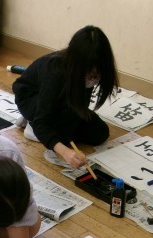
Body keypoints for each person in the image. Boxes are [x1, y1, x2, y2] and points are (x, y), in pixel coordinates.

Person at [12, 25, 119, 169]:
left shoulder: (92, 69)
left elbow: (81, 104)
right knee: (57, 131)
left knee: (99, 133)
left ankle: (52, 127)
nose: (93, 78)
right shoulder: (54, 73)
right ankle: (32, 124)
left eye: (96, 74)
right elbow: (43, 122)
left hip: (65, 100)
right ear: (77, 64)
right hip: (31, 98)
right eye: (89, 74)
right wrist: (65, 152)